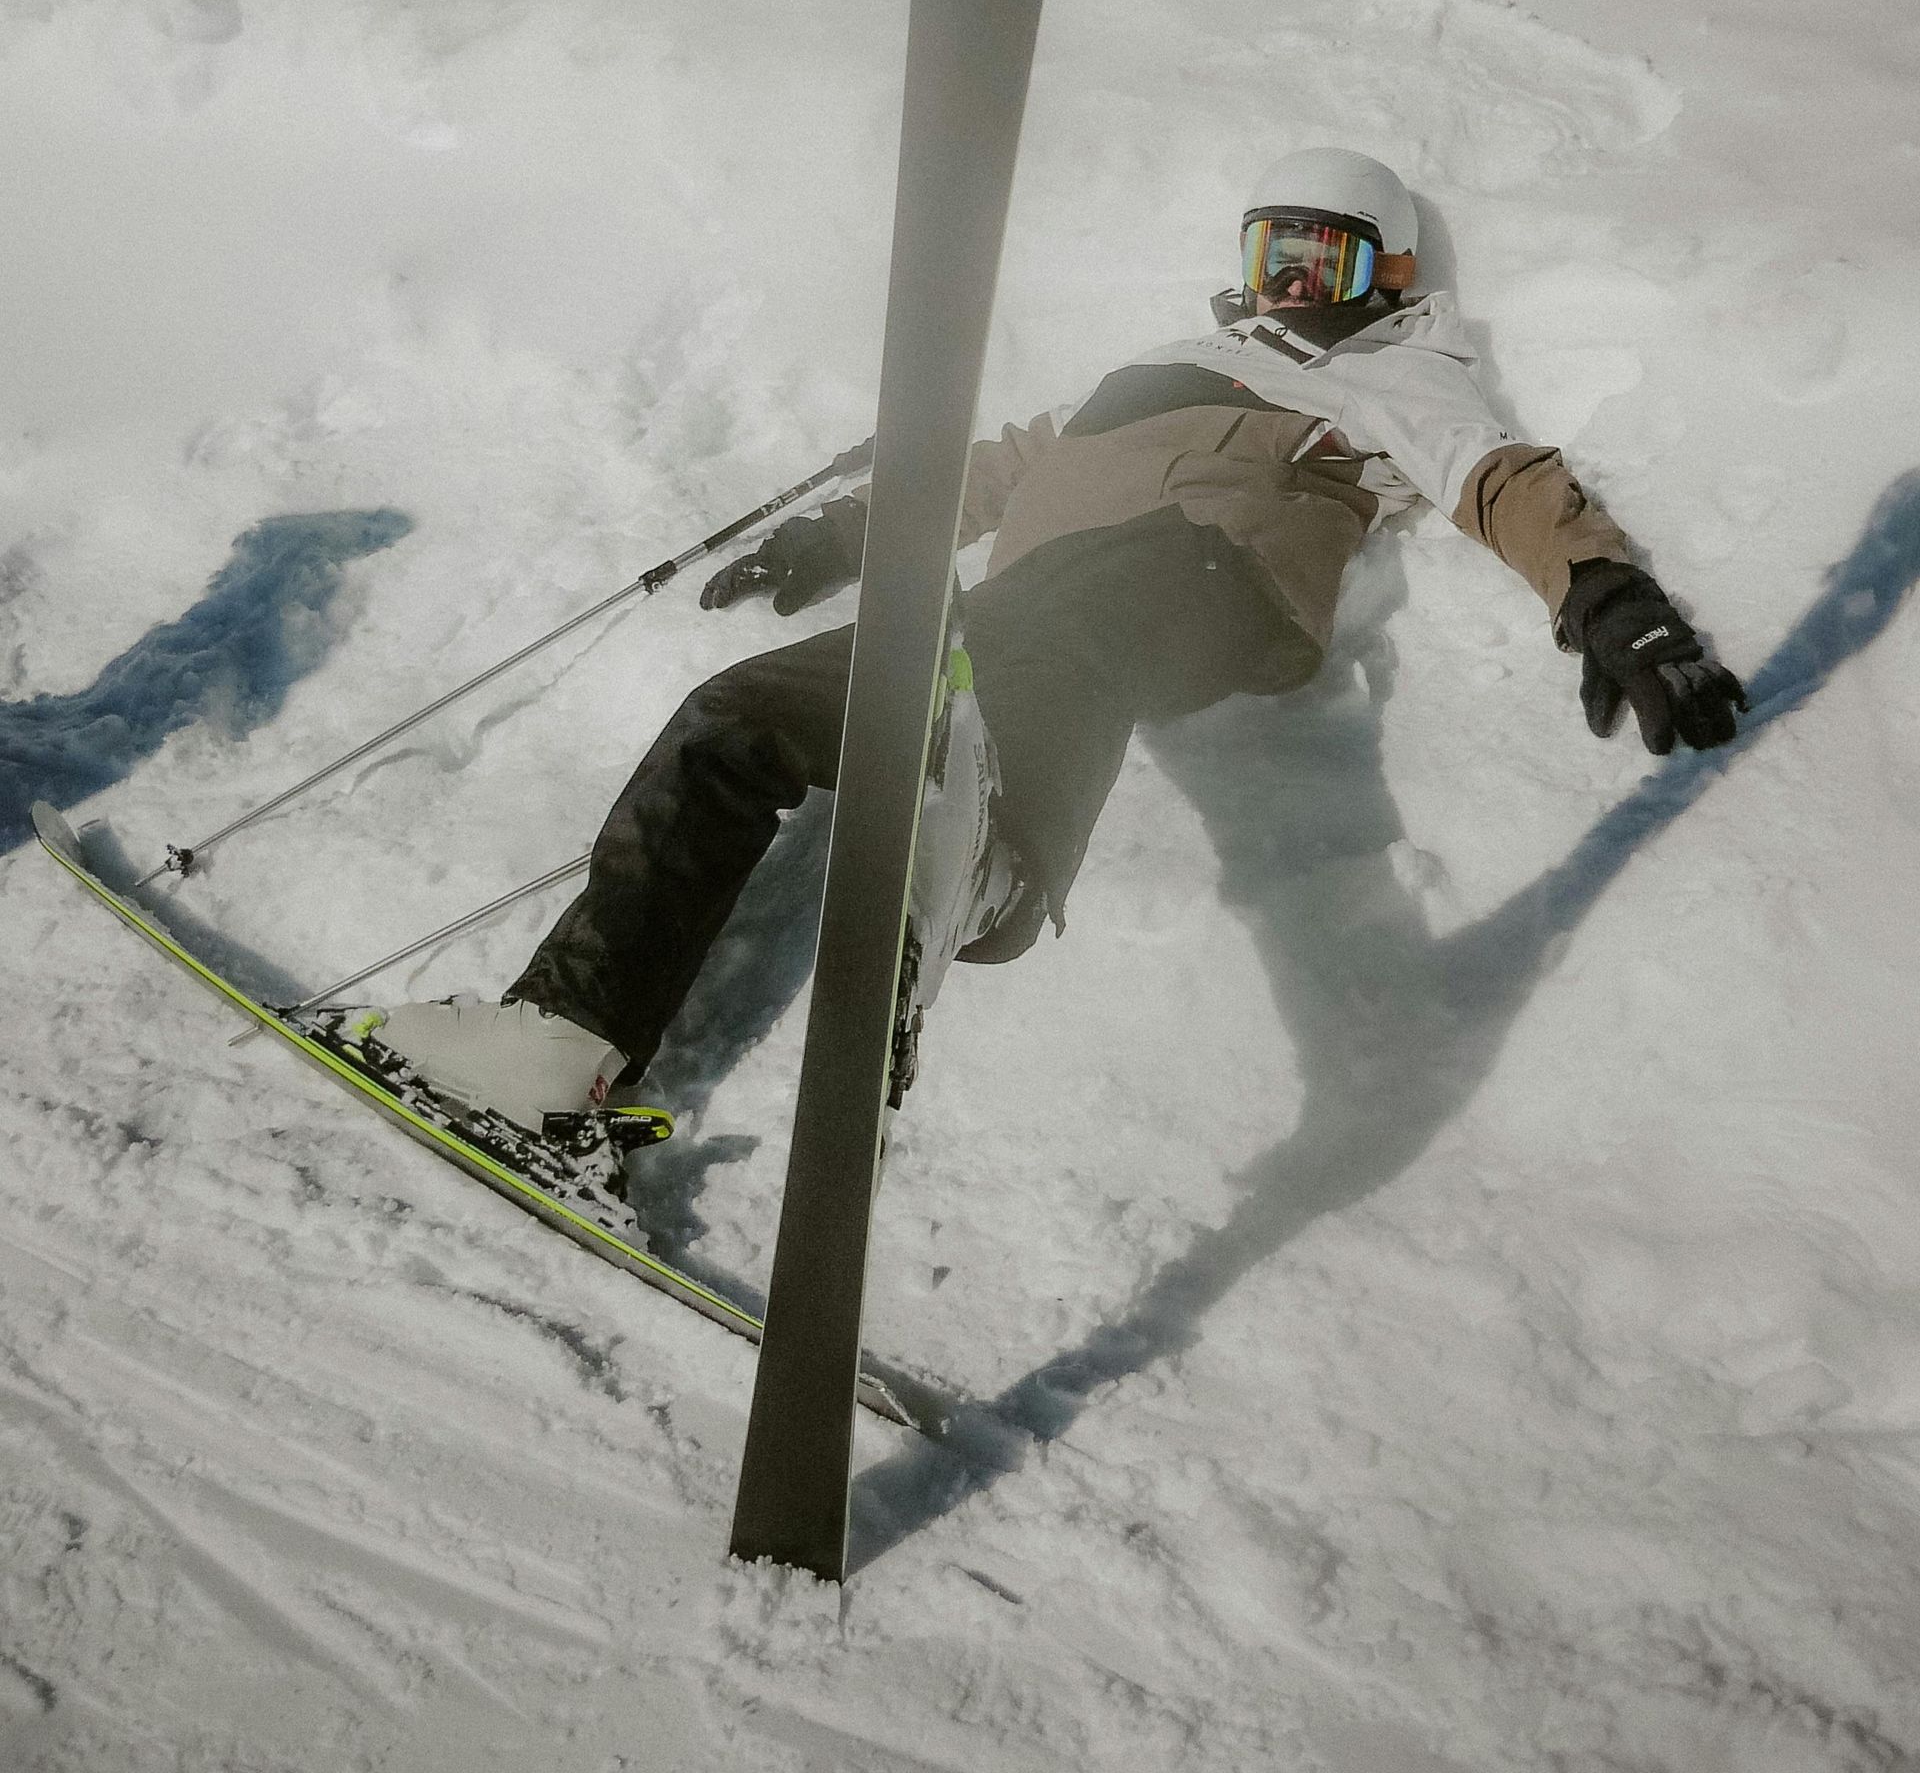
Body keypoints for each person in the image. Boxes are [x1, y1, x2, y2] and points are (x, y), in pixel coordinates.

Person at [356, 147, 1746, 1137]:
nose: (1289, 283)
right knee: (738, 717)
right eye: (1272, 251)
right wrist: (850, 534)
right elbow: (1011, 464)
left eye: (1320, 256)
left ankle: (1003, 870)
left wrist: (1610, 597)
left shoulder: (1402, 373)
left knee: (1076, 620)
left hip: (1212, 582)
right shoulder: (1161, 361)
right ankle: (560, 1044)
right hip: (1005, 619)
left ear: (1385, 273)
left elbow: (1500, 480)